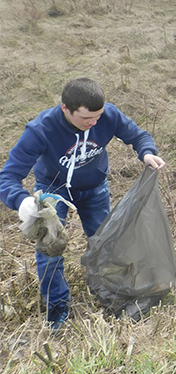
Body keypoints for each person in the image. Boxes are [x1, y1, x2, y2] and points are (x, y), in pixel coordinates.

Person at [0, 78, 165, 329]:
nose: (94, 123)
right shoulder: (40, 130)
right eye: (86, 118)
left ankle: (108, 291)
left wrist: (147, 151)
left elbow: (138, 135)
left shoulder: (108, 115)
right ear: (66, 108)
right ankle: (57, 308)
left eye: (98, 116)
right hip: (52, 193)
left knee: (104, 243)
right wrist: (22, 201)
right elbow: (8, 177)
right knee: (50, 252)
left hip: (94, 189)